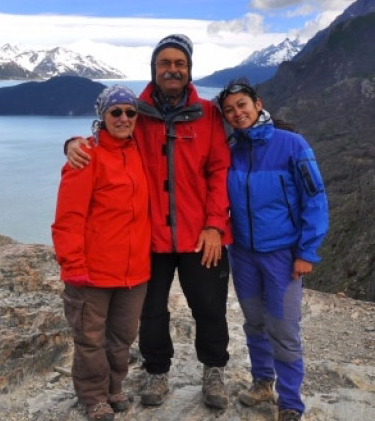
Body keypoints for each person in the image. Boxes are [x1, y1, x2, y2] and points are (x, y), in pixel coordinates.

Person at [66, 34, 232, 409]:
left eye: (180, 64)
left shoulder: (208, 114)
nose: (172, 69)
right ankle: (157, 370)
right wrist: (73, 141)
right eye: (165, 63)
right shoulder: (137, 114)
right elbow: (105, 134)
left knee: (209, 306)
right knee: (150, 310)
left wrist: (215, 225)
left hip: (200, 235)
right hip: (149, 238)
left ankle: (214, 369)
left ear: (189, 70)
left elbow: (219, 172)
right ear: (154, 69)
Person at [217, 79, 328, 421]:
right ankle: (263, 382)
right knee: (253, 322)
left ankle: (291, 402)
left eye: (242, 106)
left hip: (282, 254)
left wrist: (307, 252)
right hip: (243, 253)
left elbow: (316, 198)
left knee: (282, 327)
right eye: (230, 110)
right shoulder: (231, 149)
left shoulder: (292, 145)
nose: (237, 113)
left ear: (258, 104)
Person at [52, 85, 151, 421]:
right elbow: (68, 218)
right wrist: (73, 264)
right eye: (116, 112)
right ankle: (94, 396)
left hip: (134, 271)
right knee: (90, 338)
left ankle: (113, 387)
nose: (124, 118)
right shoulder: (86, 157)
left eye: (130, 112)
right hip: (92, 271)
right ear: (103, 116)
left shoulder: (140, 151)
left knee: (121, 336)